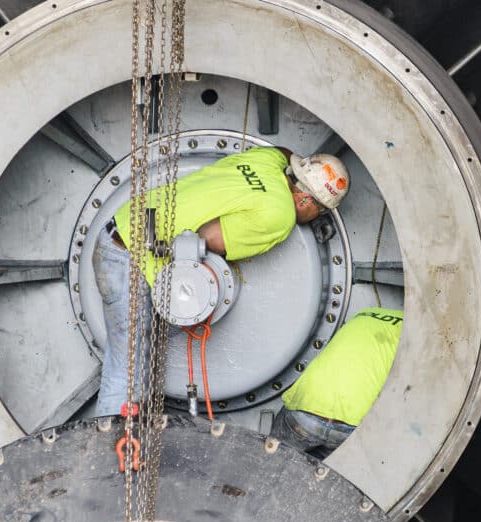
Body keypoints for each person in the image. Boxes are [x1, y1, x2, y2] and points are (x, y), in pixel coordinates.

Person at [93, 146, 351, 417]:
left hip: (120, 230)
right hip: (131, 261)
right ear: (305, 201)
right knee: (127, 377)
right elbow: (210, 237)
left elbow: (283, 152)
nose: (316, 217)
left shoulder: (266, 161)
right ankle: (108, 454)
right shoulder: (281, 214)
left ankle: (129, 448)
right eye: (320, 211)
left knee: (135, 358)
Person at [273, 307, 403, 458]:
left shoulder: (366, 312)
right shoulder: (410, 332)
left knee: (271, 466)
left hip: (306, 408)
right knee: (320, 478)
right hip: (349, 423)